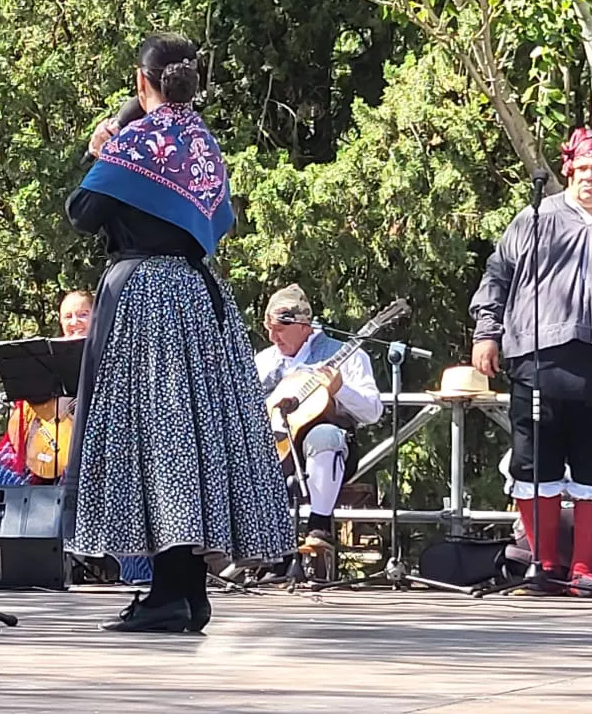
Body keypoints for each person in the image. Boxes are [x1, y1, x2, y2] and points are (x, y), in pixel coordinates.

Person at [66, 31, 292, 633]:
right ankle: (188, 591)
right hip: (196, 294)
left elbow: (81, 213)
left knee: (154, 440)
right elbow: (216, 222)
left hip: (143, 296)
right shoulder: (202, 142)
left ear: (141, 85)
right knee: (192, 442)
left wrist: (105, 146)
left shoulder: (138, 142)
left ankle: (169, 591)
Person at [469, 127, 592, 596]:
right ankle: (542, 566)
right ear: (567, 172)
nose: (588, 177)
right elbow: (496, 277)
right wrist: (487, 333)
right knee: (532, 462)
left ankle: (584, 570)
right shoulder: (534, 219)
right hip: (536, 358)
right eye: (580, 169)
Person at [255, 283, 383, 559]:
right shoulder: (264, 361)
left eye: (280, 329)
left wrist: (340, 390)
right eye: (269, 329)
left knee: (323, 434)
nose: (273, 337)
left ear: (303, 326)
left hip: (330, 449)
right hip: (273, 449)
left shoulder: (347, 356)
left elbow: (373, 411)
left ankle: (319, 527)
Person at [0, 289, 91, 487]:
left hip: (84, 445)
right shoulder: (46, 356)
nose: (74, 322)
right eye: (68, 316)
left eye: (83, 314)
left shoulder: (110, 355)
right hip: (44, 437)